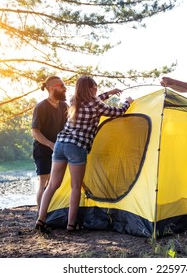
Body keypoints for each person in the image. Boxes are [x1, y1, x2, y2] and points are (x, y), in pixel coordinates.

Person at [35, 76, 134, 233]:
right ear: (89, 89)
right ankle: (71, 225)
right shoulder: (96, 105)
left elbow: (94, 100)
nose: (96, 90)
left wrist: (109, 93)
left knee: (53, 184)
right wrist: (127, 102)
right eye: (94, 87)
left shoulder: (75, 100)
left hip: (60, 144)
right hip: (77, 147)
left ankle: (40, 220)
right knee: (75, 187)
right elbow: (118, 112)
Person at [31, 76, 68, 209]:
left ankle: (51, 212)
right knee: (43, 183)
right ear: (52, 88)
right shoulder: (41, 107)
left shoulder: (64, 106)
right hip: (43, 150)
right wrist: (51, 145)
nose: (65, 89)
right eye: (62, 86)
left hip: (59, 150)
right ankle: (41, 217)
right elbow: (35, 132)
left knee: (54, 183)